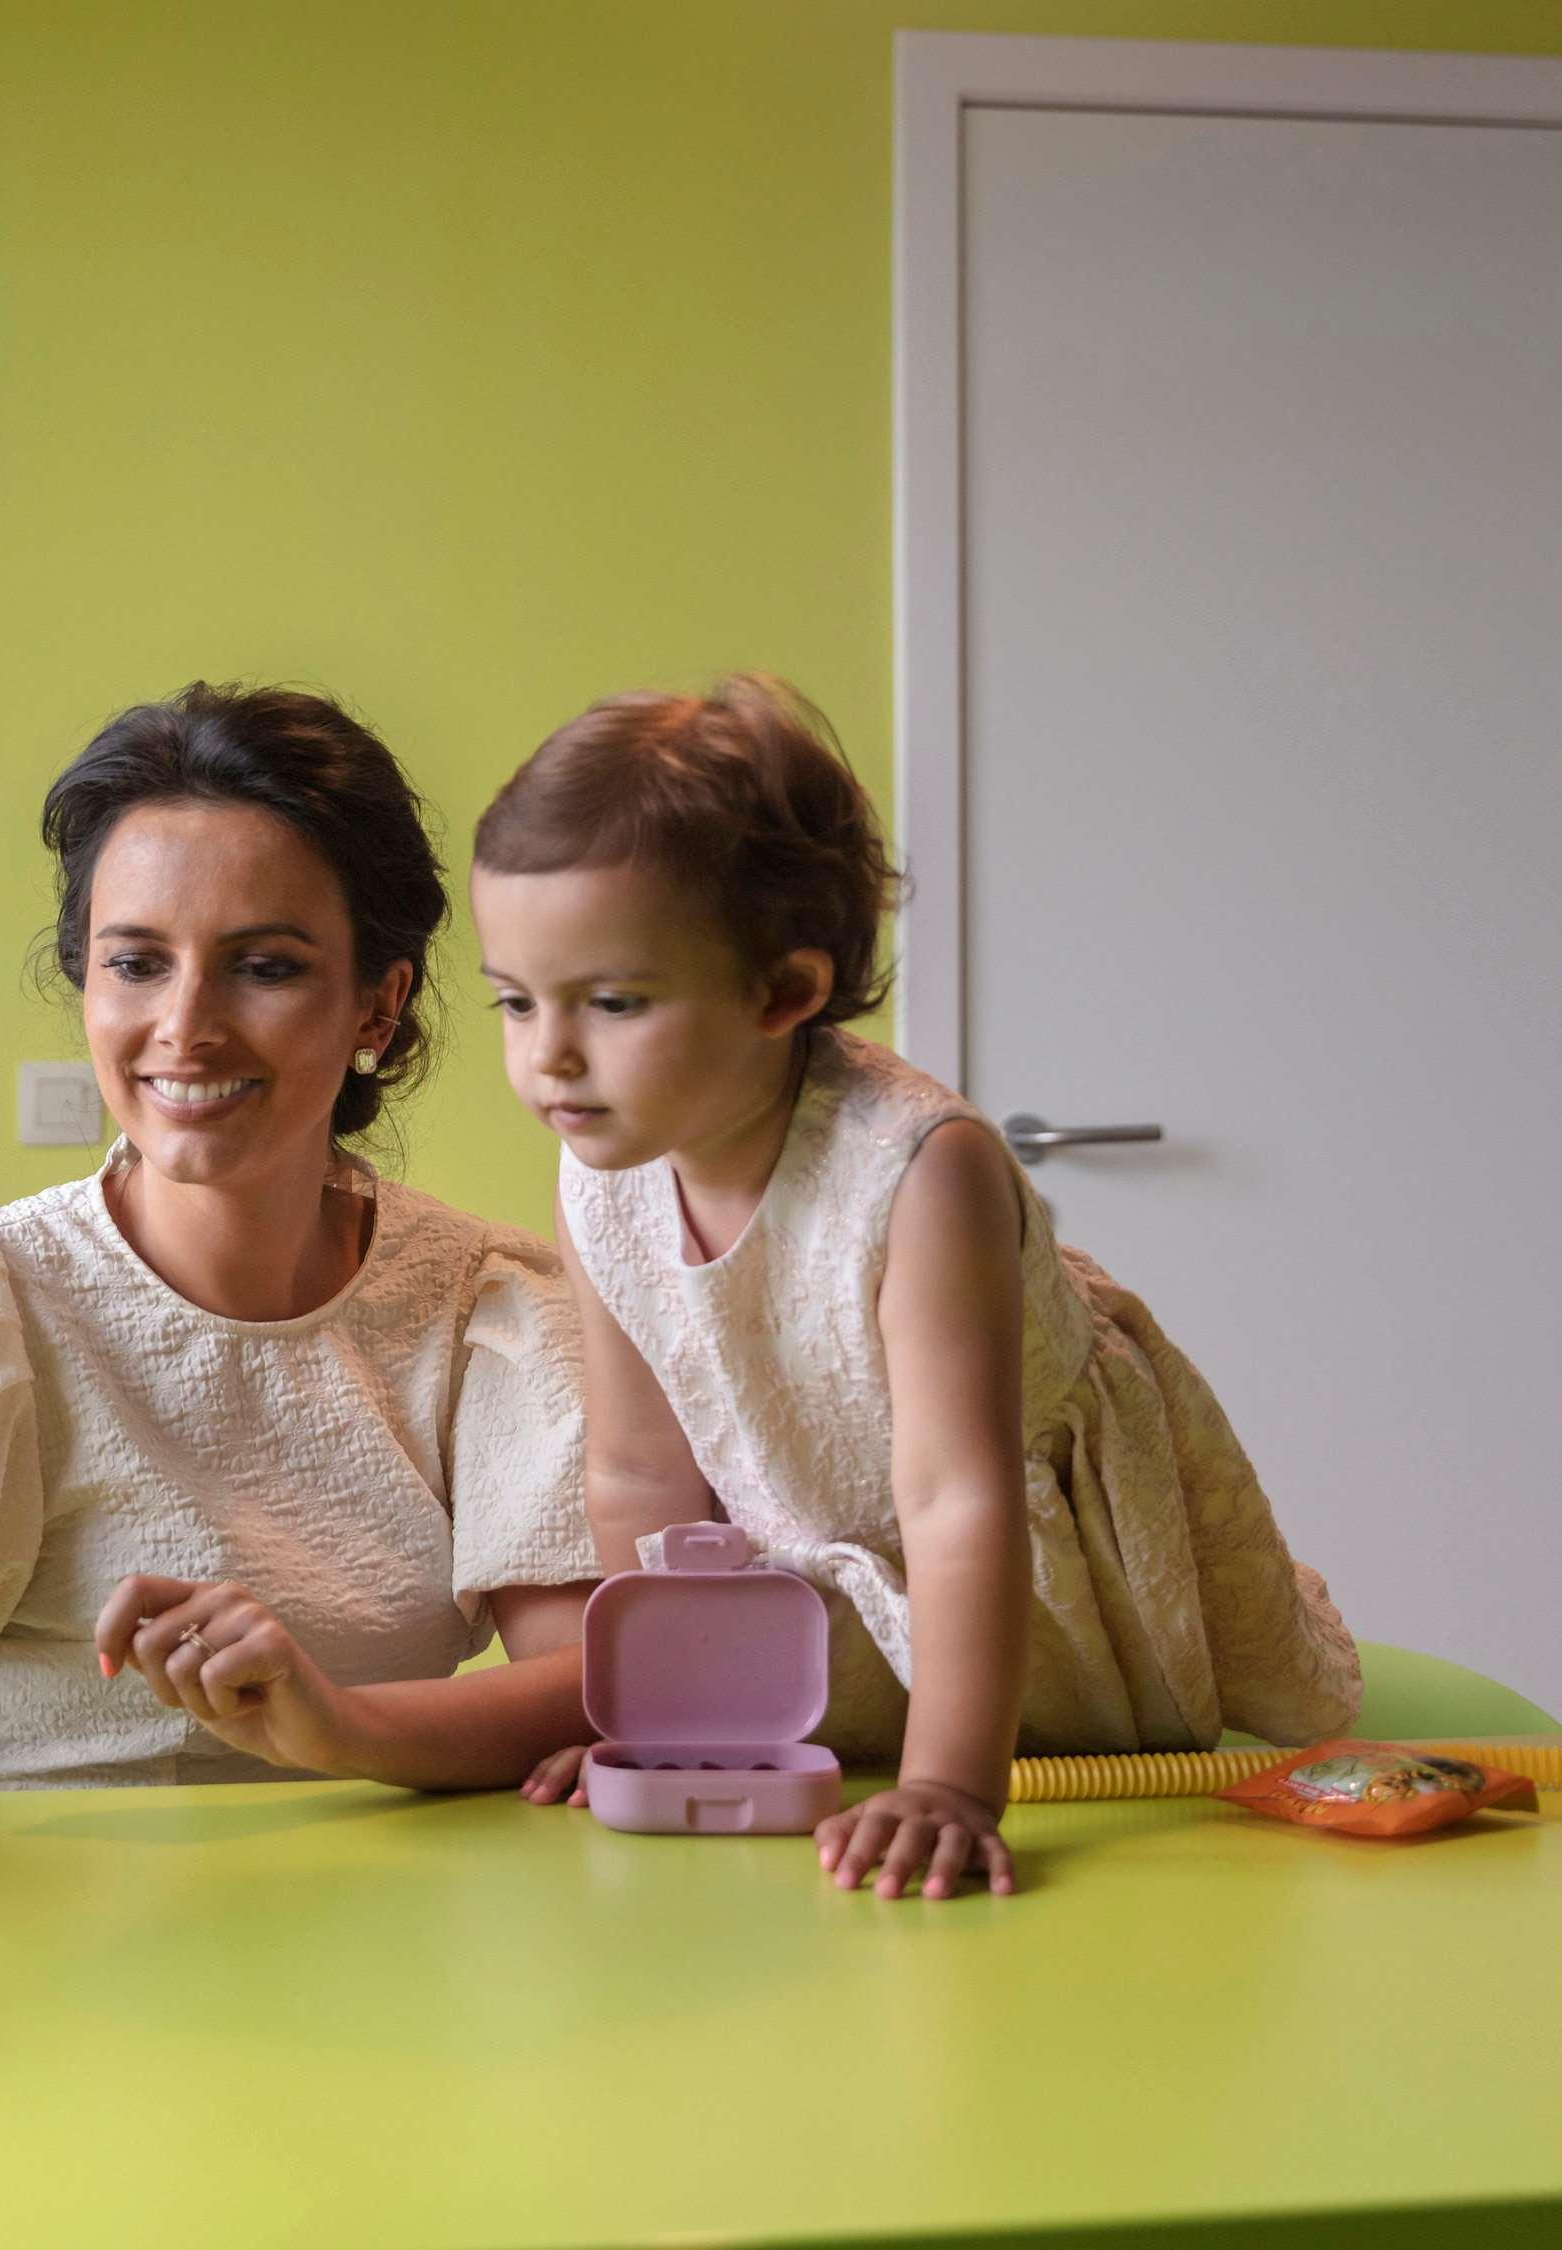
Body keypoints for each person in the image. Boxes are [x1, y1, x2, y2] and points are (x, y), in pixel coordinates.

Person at [0, 684, 596, 1867]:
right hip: (47, 1934)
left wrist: (332, 1725)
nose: (184, 1025)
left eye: (265, 967)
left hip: (394, 1933)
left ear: (377, 1008)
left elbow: (585, 1686)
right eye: (137, 963)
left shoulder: (481, 1304)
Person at [465, 674, 1360, 1901]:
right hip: (836, 1513)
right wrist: (663, 1716)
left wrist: (950, 1784)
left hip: (1008, 1536)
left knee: (1060, 1731)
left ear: (784, 993)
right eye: (516, 1002)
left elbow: (956, 1498)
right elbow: (639, 1473)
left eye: (613, 1003)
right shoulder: (600, 1171)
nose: (547, 1057)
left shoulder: (919, 1172)